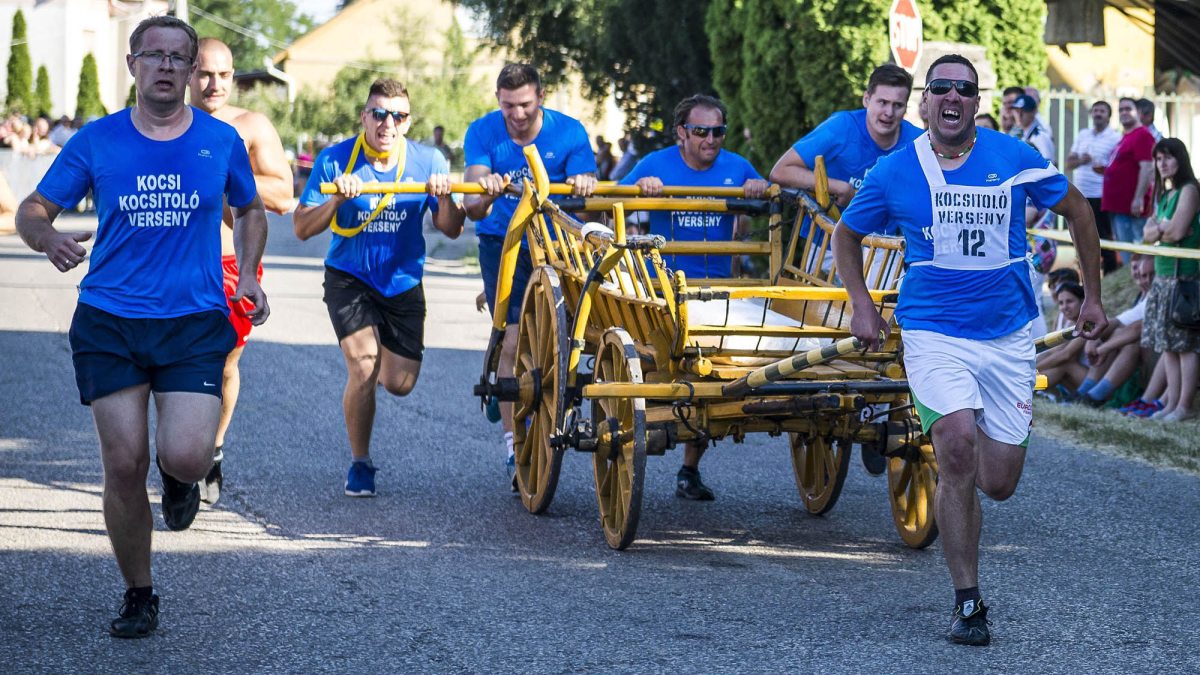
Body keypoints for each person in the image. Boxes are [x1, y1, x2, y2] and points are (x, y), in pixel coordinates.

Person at [832, 54, 1106, 646]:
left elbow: (1080, 209)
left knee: (999, 481)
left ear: (976, 102)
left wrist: (1092, 297)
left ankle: (962, 455)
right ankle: (968, 603)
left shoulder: (1012, 154)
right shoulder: (895, 170)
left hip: (1008, 334)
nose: (952, 97)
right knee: (956, 450)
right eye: (941, 88)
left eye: (965, 89)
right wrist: (860, 304)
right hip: (933, 331)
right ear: (925, 101)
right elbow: (846, 234)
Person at [14, 15, 269, 638]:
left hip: (193, 320)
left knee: (181, 454)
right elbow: (32, 210)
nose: (164, 66)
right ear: (132, 65)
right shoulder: (96, 142)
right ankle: (139, 592)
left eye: (176, 57)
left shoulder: (219, 140)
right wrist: (47, 237)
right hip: (111, 321)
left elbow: (251, 208)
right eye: (151, 55)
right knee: (123, 464)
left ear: (189, 69)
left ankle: (183, 479)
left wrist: (251, 274)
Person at [294, 78, 465, 496]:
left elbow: (453, 229)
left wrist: (444, 199)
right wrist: (336, 199)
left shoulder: (429, 160)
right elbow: (300, 227)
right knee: (364, 366)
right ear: (364, 117)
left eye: (398, 116)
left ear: (408, 122)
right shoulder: (336, 160)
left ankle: (381, 380)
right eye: (379, 113)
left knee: (400, 384)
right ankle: (361, 462)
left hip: (403, 282)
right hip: (349, 277)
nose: (388, 123)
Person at [618, 94, 768, 500]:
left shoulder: (737, 167)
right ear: (681, 132)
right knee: (666, 364)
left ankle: (689, 469)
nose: (711, 139)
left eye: (718, 131)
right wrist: (639, 188)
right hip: (661, 293)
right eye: (701, 131)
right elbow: (613, 196)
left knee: (713, 373)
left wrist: (759, 187)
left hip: (720, 290)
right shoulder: (654, 164)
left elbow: (768, 191)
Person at [463, 63, 597, 486]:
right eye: (507, 106)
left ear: (541, 96)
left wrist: (583, 184)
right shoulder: (483, 132)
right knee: (517, 335)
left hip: (557, 245)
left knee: (568, 333)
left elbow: (589, 208)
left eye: (524, 105)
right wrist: (485, 189)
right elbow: (471, 207)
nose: (517, 115)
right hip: (503, 241)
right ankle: (511, 440)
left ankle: (540, 382)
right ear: (498, 101)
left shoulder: (570, 132)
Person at [189, 37, 294, 504]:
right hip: (172, 261)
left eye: (224, 75)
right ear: (188, 73)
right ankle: (177, 450)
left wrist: (227, 174)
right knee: (165, 366)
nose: (215, 84)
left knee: (226, 363)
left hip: (231, 262)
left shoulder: (249, 126)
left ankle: (211, 448)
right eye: (205, 73)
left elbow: (284, 193)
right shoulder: (160, 120)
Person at [769, 63, 922, 210]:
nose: (889, 112)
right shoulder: (841, 127)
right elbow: (781, 171)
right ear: (866, 100)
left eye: (898, 105)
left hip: (886, 236)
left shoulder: (919, 142)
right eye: (882, 102)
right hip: (824, 234)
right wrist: (836, 186)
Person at [1139, 138, 1200, 421]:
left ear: (1181, 160)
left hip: (1184, 279)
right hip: (1164, 278)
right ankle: (1171, 404)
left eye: (1168, 157)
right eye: (1158, 158)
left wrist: (1162, 228)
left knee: (1185, 346)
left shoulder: (1189, 191)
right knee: (1168, 346)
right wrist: (1163, 228)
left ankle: (1184, 406)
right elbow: (1147, 232)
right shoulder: (1164, 195)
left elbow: (1175, 233)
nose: (1162, 164)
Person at [1078, 253, 1154, 405]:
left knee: (1119, 337)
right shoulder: (1142, 296)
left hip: (1095, 360)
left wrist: (1095, 342)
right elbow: (1114, 321)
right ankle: (1084, 396)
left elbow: (1133, 327)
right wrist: (1093, 338)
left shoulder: (1152, 296)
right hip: (1090, 359)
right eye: (1060, 302)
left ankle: (1086, 397)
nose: (1140, 276)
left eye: (1069, 301)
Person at [1066, 101, 1121, 274]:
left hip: (1101, 195)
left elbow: (1117, 168)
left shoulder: (1115, 138)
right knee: (1080, 239)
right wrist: (1082, 160)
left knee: (1103, 238)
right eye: (1095, 110)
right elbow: (1070, 162)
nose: (1098, 113)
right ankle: (1084, 280)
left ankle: (1111, 276)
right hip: (1079, 194)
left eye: (1102, 111)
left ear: (1109, 115)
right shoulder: (1083, 134)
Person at [1102, 97, 1155, 262]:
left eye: (1128, 109)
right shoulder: (1126, 136)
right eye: (1121, 109)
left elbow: (1147, 168)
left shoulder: (1143, 135)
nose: (1124, 112)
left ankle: (1139, 286)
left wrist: (1138, 198)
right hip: (1119, 206)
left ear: (1138, 112)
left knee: (1135, 254)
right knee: (1126, 253)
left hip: (1132, 208)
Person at [1010, 94, 1055, 163]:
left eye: (1024, 111)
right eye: (1017, 111)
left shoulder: (1040, 137)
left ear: (1033, 112)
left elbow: (1049, 166)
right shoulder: (1020, 134)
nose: (1019, 115)